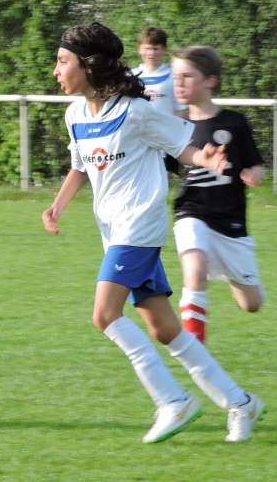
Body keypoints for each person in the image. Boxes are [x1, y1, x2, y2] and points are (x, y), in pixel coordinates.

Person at [44, 22, 264, 443]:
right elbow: (80, 166)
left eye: (62, 61)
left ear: (88, 67)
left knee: (105, 314)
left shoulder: (135, 111)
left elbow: (182, 147)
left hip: (139, 227)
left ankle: (173, 401)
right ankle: (241, 402)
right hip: (114, 233)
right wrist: (57, 204)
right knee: (165, 330)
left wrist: (209, 159)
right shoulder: (74, 115)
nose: (56, 70)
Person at [167, 45, 266, 344]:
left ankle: (228, 272)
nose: (179, 84)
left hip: (231, 225)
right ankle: (194, 349)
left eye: (187, 76)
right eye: (175, 77)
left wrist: (254, 176)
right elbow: (163, 167)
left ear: (210, 80)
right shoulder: (175, 127)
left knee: (252, 304)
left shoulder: (234, 122)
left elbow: (256, 164)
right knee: (194, 270)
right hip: (192, 212)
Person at [132, 27, 187, 118]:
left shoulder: (174, 76)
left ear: (164, 49)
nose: (151, 53)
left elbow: (181, 110)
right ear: (139, 49)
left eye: (155, 49)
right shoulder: (131, 76)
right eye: (147, 49)